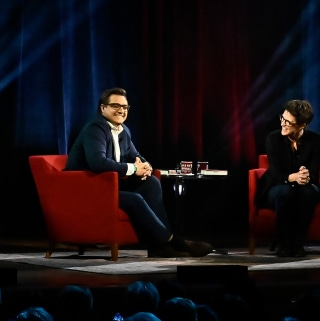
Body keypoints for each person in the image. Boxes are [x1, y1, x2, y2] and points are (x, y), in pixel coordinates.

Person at [65, 87, 213, 258]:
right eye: (115, 105)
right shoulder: (95, 128)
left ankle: (158, 248)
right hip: (86, 190)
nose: (121, 110)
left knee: (151, 183)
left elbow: (136, 156)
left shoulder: (124, 130)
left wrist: (146, 167)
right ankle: (174, 242)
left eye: (125, 107)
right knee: (134, 199)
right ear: (102, 108)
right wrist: (135, 169)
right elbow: (97, 163)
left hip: (108, 187)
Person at [255, 99, 320, 257]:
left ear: (302, 125)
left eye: (289, 122)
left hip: (304, 186)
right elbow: (276, 172)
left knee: (310, 193)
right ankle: (284, 244)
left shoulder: (316, 140)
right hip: (277, 185)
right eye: (282, 118)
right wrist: (292, 177)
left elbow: (314, 172)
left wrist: (305, 176)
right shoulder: (273, 139)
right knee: (286, 194)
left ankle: (298, 244)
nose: (283, 124)